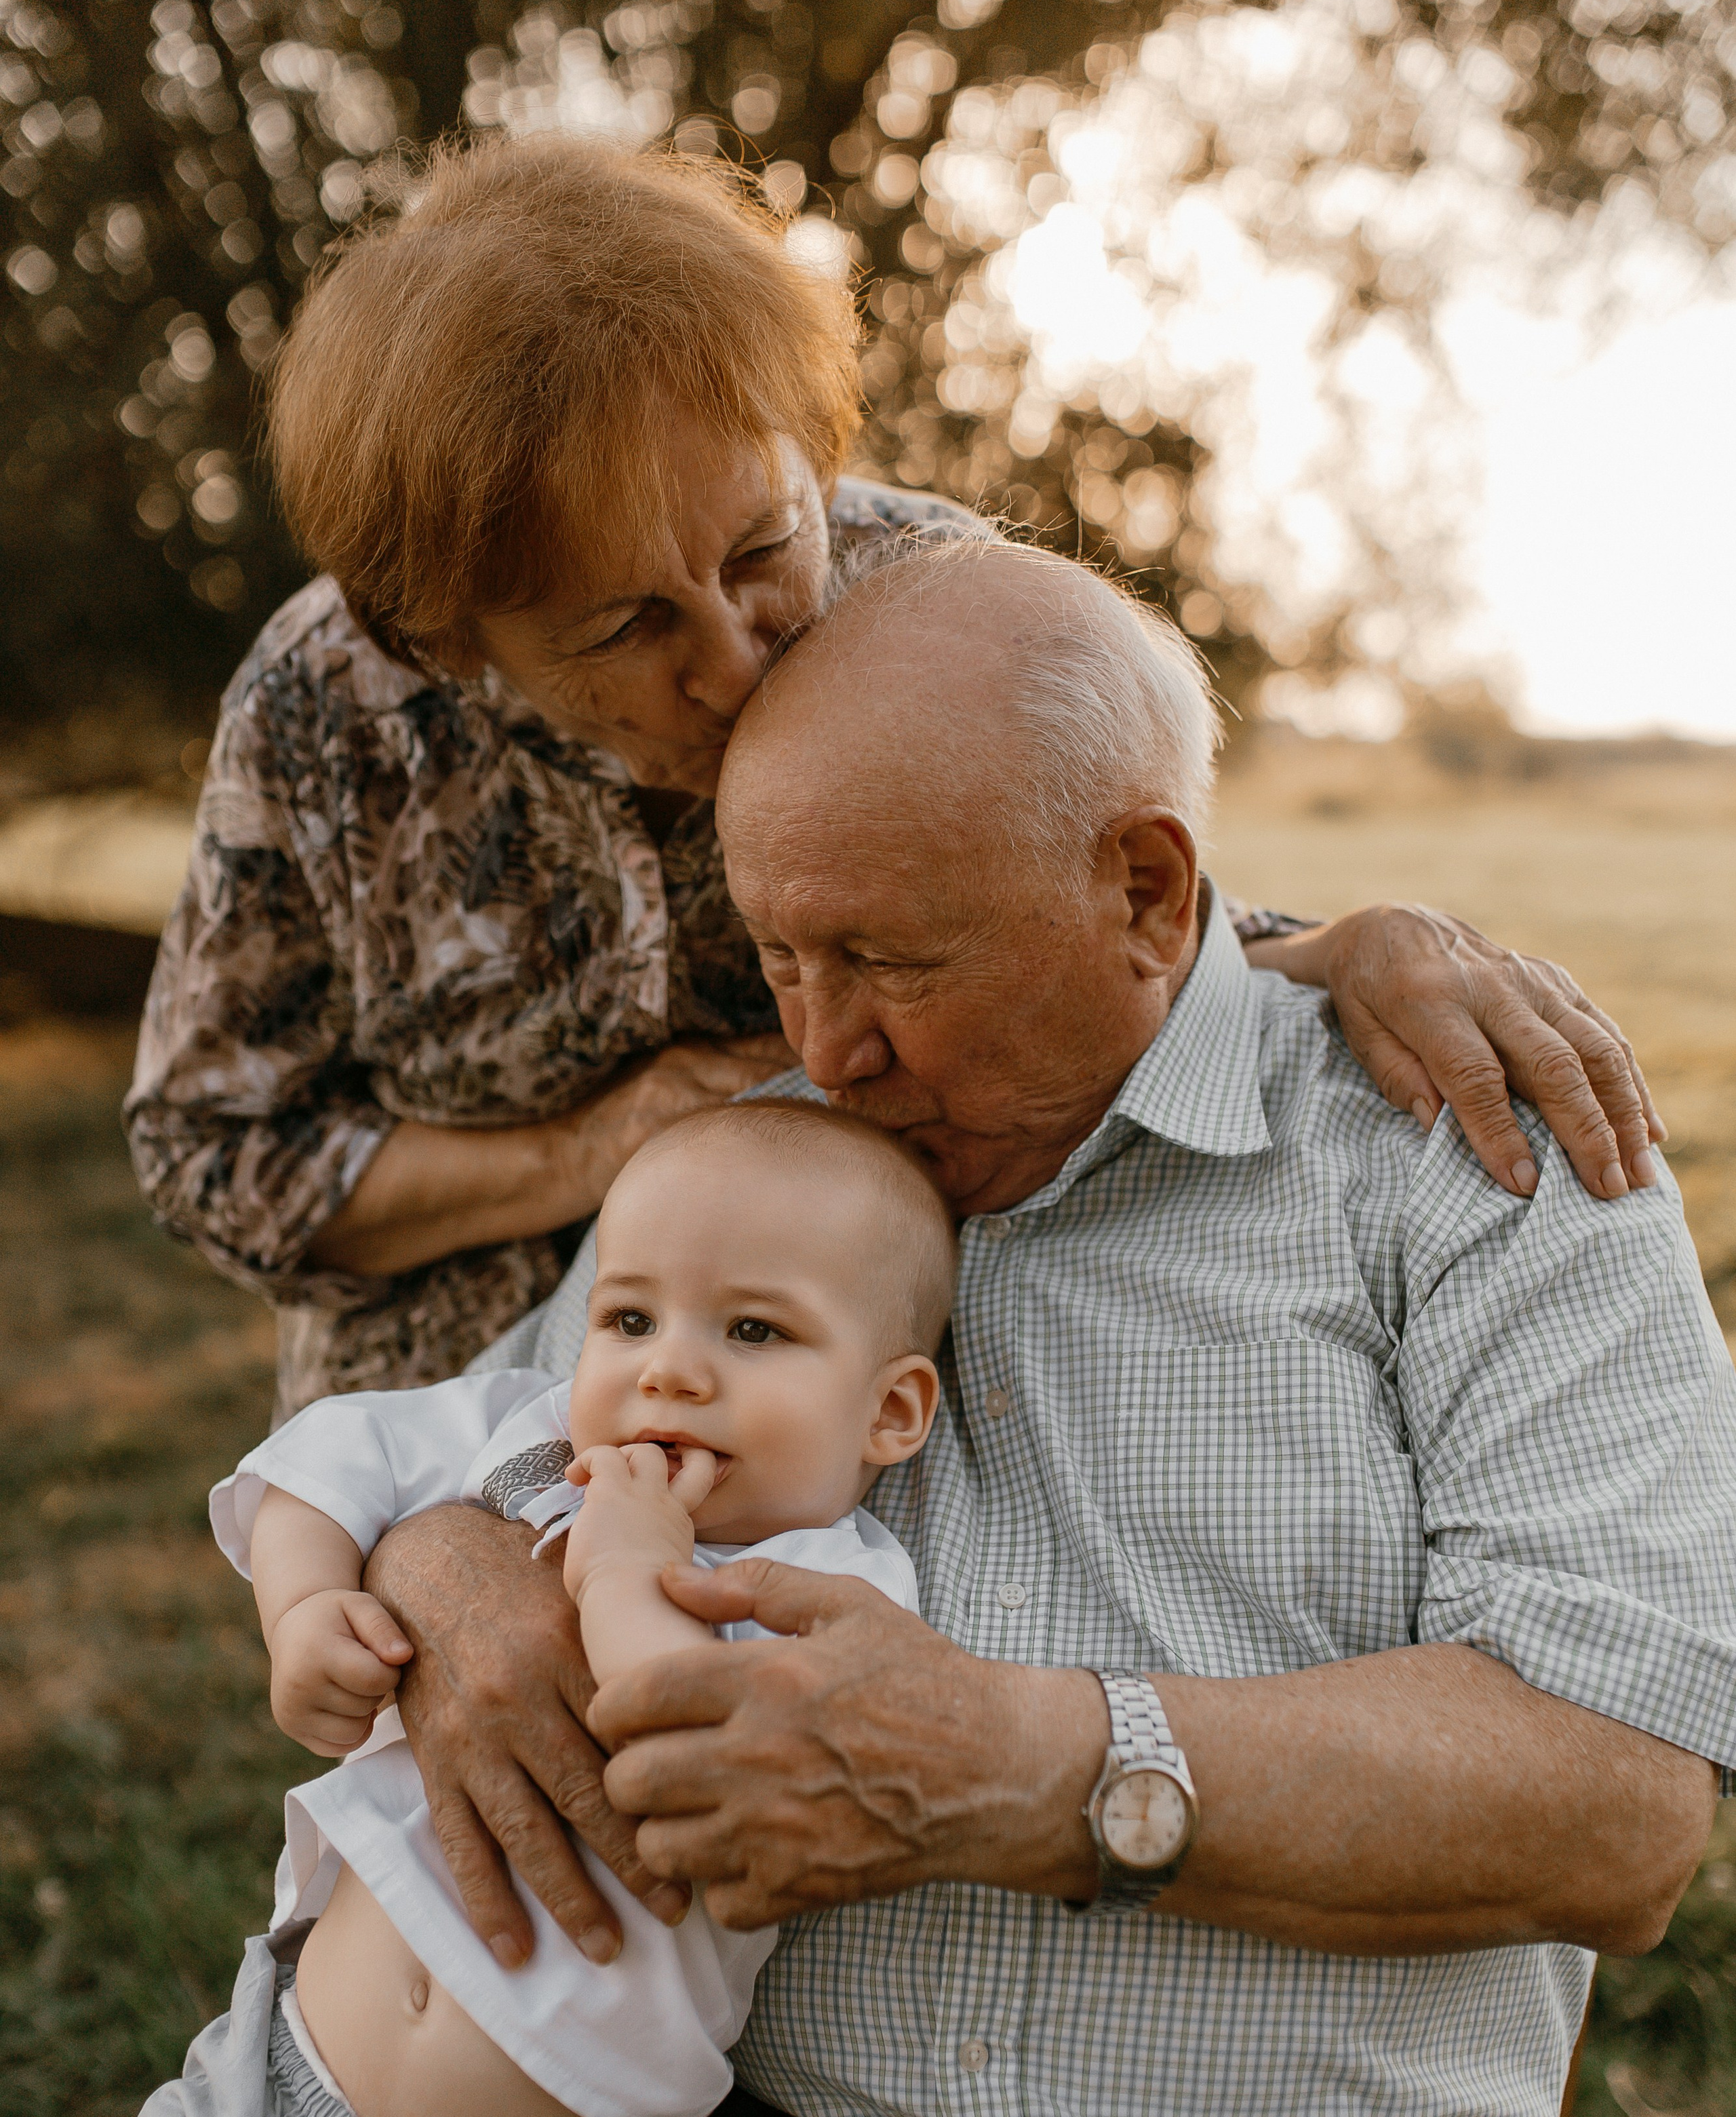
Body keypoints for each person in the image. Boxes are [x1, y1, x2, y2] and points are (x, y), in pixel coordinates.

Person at [197, 532, 1736, 2117]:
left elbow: (1616, 1813)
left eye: (895, 966)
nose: (825, 1047)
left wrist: (1025, 1768)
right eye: (785, 959)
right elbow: (463, 1444)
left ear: (1147, 891)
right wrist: (458, 1572)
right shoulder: (782, 1154)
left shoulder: (1477, 1152)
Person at [122, 131, 1661, 1420]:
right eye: (624, 626)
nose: (736, 663)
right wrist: (599, 1147)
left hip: (851, 1424)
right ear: (453, 640)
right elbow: (212, 1155)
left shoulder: (923, 590)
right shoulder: (333, 701)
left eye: (759, 550)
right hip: (425, 1452)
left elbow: (1098, 926)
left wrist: (1353, 945)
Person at [0, 1101, 953, 2117]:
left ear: (888, 1411)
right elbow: (327, 1456)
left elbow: (680, 1739)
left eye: (754, 1334)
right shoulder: (518, 1436)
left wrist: (630, 1570)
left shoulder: (843, 1593)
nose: (668, 1371)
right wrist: (307, 1604)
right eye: (626, 1317)